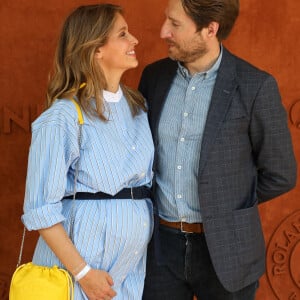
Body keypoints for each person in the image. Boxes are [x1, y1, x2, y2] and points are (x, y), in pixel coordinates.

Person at [138, 0, 297, 299]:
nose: (163, 32)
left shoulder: (254, 86)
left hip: (228, 252)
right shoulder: (154, 78)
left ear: (210, 29)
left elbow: (282, 174)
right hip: (160, 249)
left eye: (175, 24)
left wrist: (225, 205)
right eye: (166, 20)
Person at [22, 4, 154, 300]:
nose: (134, 40)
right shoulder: (64, 116)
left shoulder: (138, 107)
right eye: (122, 34)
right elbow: (40, 210)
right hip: (77, 276)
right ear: (96, 49)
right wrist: (83, 273)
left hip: (128, 274)